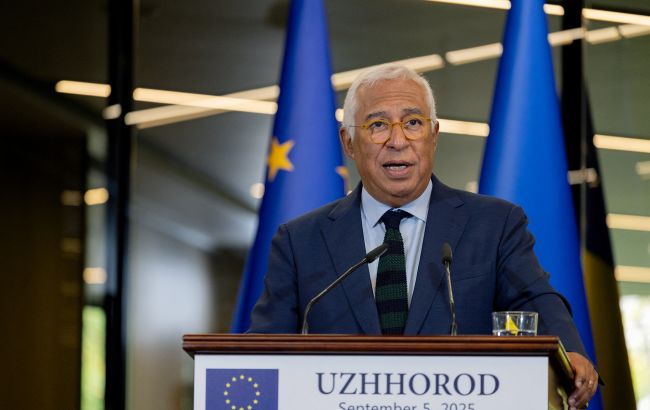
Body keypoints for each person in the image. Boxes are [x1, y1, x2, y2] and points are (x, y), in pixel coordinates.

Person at [249, 64, 598, 409]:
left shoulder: (494, 224)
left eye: (413, 123)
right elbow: (264, 348)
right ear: (348, 142)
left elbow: (533, 298)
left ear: (434, 134)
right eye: (378, 125)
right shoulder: (300, 241)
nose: (398, 141)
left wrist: (570, 353)